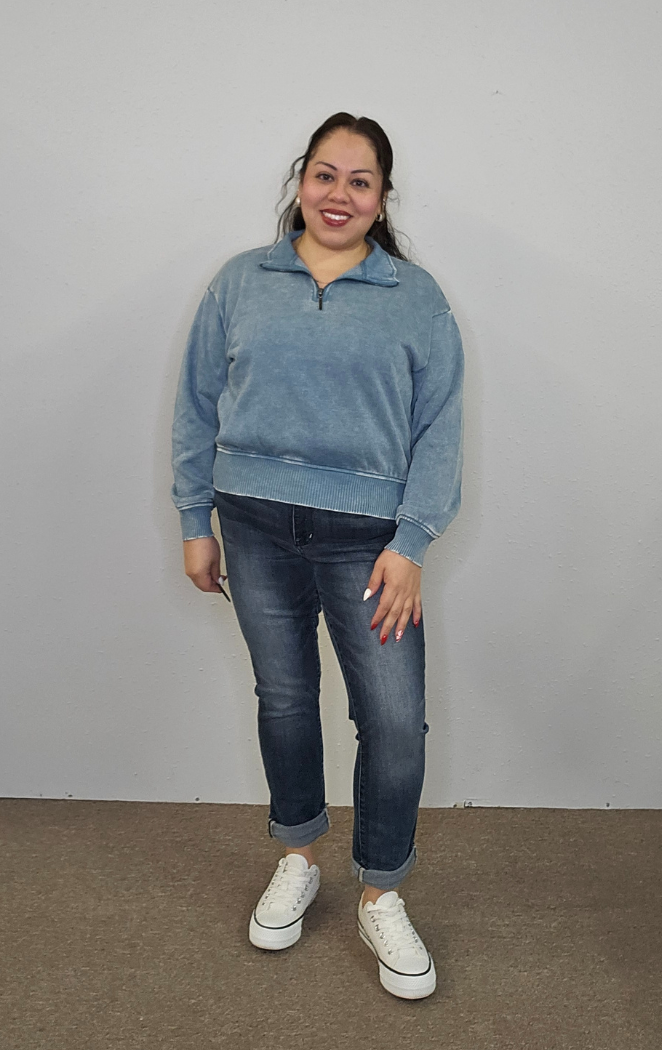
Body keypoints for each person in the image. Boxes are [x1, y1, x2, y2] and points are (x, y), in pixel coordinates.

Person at [171, 112, 464, 1000]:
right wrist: (194, 520)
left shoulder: (416, 298)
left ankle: (381, 889)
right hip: (252, 527)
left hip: (368, 547)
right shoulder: (239, 282)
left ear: (382, 199)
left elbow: (440, 432)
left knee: (393, 723)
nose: (340, 195)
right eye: (326, 175)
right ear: (302, 181)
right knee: (287, 701)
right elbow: (195, 403)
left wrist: (410, 543)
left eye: (361, 181)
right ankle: (298, 855)